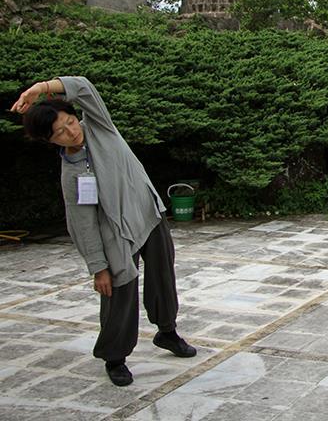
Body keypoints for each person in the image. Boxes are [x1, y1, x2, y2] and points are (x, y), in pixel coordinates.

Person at [11, 77, 196, 387]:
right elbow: (82, 224)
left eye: (70, 122)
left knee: (163, 278)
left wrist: (41, 88)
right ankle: (114, 356)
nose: (71, 131)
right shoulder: (72, 174)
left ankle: (167, 332)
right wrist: (98, 267)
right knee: (118, 293)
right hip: (117, 235)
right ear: (50, 140)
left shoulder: (99, 126)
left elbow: (83, 87)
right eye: (60, 132)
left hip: (148, 215)